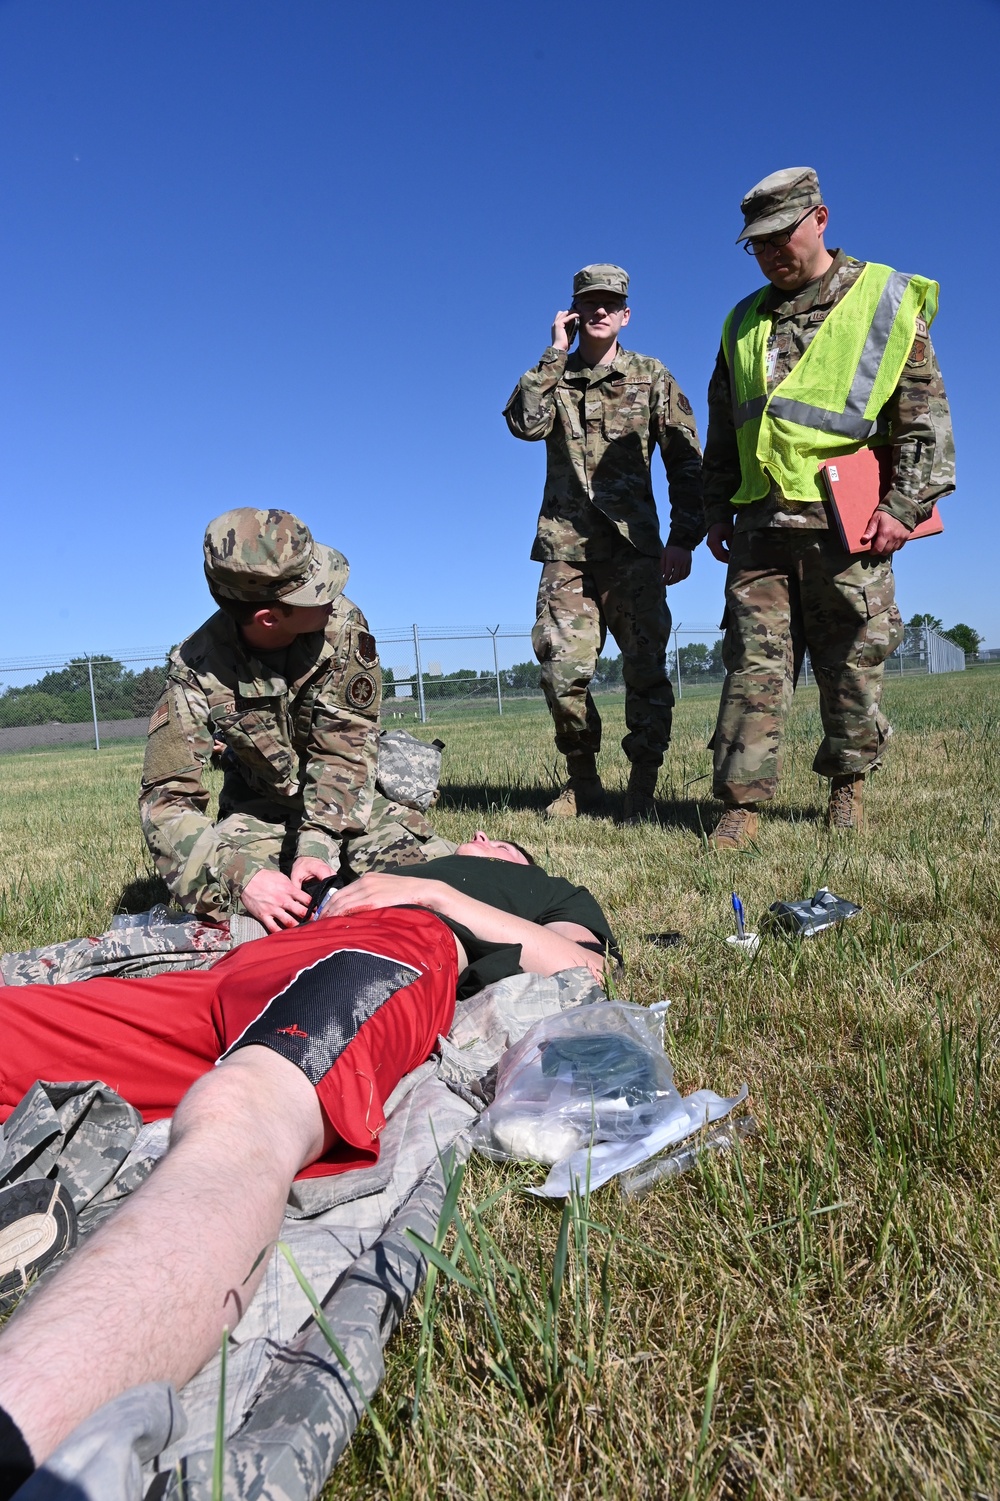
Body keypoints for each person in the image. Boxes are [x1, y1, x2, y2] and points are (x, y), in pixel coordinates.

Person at [0, 833, 616, 1489]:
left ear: (511, 856)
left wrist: (432, 893)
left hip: (381, 956)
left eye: (495, 842)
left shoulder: (541, 890)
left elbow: (582, 966)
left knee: (244, 1108)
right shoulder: (397, 865)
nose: (479, 837)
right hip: (239, 969)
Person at [702, 168, 955, 848]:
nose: (772, 252)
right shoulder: (741, 321)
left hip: (849, 523)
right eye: (757, 243)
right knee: (753, 666)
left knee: (851, 663)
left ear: (820, 218)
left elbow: (923, 419)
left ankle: (848, 788)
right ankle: (742, 803)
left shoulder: (884, 296)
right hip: (759, 527)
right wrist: (716, 508)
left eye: (782, 235)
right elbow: (724, 427)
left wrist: (904, 504)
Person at [140, 507, 452, 933]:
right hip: (261, 811)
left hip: (347, 797)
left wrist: (317, 844)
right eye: (314, 592)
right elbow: (167, 803)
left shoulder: (342, 628)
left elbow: (345, 752)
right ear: (268, 618)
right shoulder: (196, 671)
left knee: (433, 889)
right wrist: (243, 878)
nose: (333, 597)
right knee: (241, 924)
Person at [504, 264, 704, 822]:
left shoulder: (651, 376)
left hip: (634, 551)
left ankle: (643, 785)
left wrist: (685, 538)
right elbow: (523, 423)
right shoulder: (556, 374)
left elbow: (686, 461)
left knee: (645, 670)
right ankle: (584, 782)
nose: (599, 310)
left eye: (610, 303)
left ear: (625, 314)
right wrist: (552, 353)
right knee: (560, 672)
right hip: (567, 552)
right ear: (572, 309)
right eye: (588, 302)